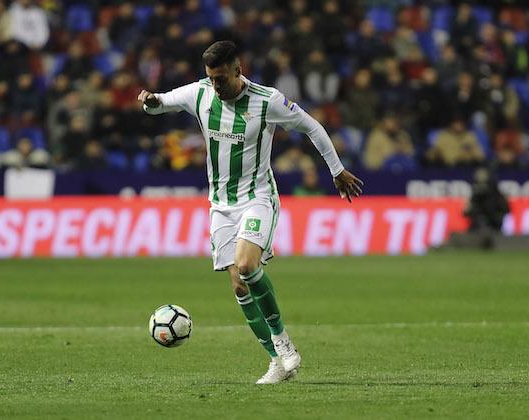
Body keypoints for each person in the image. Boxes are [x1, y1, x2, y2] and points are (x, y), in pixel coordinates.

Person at [138, 40, 363, 384]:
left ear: (237, 71)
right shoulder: (200, 94)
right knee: (239, 287)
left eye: (221, 78)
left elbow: (312, 127)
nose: (216, 85)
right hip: (220, 207)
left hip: (258, 197)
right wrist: (149, 102)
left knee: (246, 266)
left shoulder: (266, 100)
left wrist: (336, 170)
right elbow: (160, 104)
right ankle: (276, 361)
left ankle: (283, 342)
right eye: (211, 78)